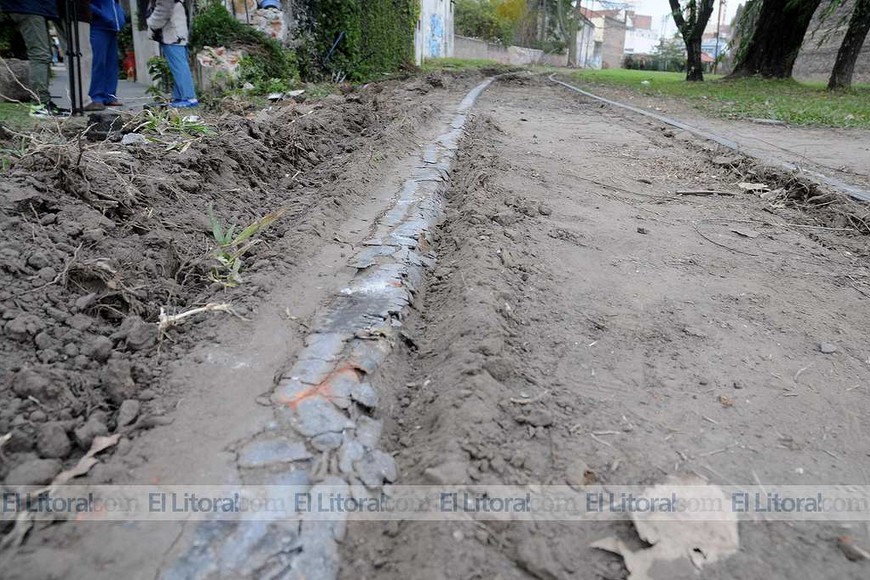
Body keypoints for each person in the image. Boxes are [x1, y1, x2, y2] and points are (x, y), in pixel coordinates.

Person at [0, 0, 69, 117]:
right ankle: (39, 104)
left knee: (43, 54)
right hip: (29, 7)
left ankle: (43, 103)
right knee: (40, 55)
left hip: (32, 8)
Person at [146, 0, 198, 108]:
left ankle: (189, 98)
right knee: (178, 66)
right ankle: (180, 97)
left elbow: (164, 9)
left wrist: (151, 23)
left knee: (179, 66)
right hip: (176, 32)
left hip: (172, 33)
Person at [57, 0, 96, 112]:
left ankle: (78, 99)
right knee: (82, 54)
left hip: (60, 11)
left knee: (70, 55)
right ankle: (81, 100)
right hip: (76, 11)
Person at [86, 0, 125, 110]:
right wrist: (103, 15)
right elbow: (88, 4)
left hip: (112, 28)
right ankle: (96, 97)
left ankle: (110, 96)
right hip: (98, 27)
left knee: (111, 64)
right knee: (98, 63)